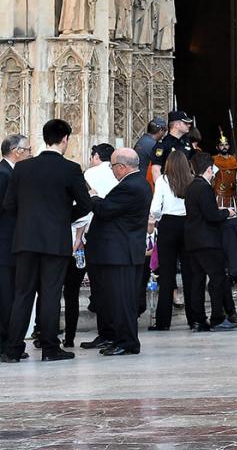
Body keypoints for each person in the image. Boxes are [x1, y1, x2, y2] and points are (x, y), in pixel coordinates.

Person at [2, 120, 93, 363]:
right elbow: (86, 204)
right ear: (64, 139)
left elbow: (9, 206)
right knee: (51, 294)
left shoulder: (22, 168)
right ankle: (50, 348)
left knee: (22, 295)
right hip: (55, 242)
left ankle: (12, 349)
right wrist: (63, 218)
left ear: (44, 138)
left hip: (25, 241)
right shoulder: (70, 169)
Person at [83, 148, 152, 356]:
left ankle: (127, 342)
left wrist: (93, 197)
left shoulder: (131, 186)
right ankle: (118, 338)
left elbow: (105, 210)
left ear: (122, 167)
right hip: (121, 251)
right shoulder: (136, 183)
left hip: (122, 252)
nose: (112, 171)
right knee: (118, 299)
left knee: (123, 300)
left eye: (112, 166)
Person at [66, 144, 121, 349]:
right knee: (110, 285)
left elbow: (83, 204)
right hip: (115, 235)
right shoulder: (117, 173)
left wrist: (79, 234)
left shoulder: (90, 173)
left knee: (99, 286)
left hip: (93, 233)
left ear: (96, 156)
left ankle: (106, 332)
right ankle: (113, 331)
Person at [184, 152, 237, 331]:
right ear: (208, 169)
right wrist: (227, 212)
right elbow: (211, 215)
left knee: (197, 281)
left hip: (193, 241)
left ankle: (198, 319)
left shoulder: (191, 187)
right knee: (217, 279)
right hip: (208, 241)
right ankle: (217, 318)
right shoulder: (204, 187)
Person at [148, 150, 194, 330]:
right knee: (189, 274)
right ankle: (194, 318)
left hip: (167, 225)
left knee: (166, 275)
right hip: (187, 225)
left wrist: (159, 217)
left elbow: (154, 208)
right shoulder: (191, 180)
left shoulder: (162, 181)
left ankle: (163, 321)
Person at [0, 135, 30, 354]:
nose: (30, 154)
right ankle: (4, 344)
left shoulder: (11, 173)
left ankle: (10, 342)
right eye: (27, 150)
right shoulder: (4, 174)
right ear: (16, 151)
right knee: (5, 295)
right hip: (5, 243)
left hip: (11, 242)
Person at [150, 110, 195, 183]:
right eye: (185, 123)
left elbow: (194, 161)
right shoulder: (163, 145)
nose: (189, 125)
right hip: (171, 185)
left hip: (186, 185)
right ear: (177, 125)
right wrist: (161, 188)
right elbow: (156, 169)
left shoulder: (187, 142)